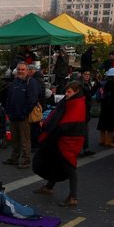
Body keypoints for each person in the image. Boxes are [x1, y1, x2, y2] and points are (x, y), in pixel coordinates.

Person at [32, 80, 86, 208]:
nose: (66, 94)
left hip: (69, 139)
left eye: (69, 92)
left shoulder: (77, 103)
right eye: (66, 91)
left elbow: (69, 122)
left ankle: (73, 197)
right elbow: (57, 115)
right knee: (56, 161)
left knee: (69, 167)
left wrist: (52, 131)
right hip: (62, 137)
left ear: (76, 91)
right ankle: (49, 187)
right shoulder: (70, 101)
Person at [3, 62, 39, 169]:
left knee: (25, 140)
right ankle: (14, 158)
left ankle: (26, 160)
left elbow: (32, 100)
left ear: (27, 71)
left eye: (23, 69)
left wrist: (24, 113)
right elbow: (9, 97)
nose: (20, 71)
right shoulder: (15, 82)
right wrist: (8, 111)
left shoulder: (31, 82)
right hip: (13, 115)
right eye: (19, 69)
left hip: (24, 117)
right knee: (15, 139)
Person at [97, 68, 114, 147]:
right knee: (111, 125)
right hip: (112, 107)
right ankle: (108, 141)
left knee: (103, 124)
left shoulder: (105, 83)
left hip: (104, 106)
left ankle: (102, 139)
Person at [79, 69, 97, 156]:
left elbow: (90, 94)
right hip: (82, 109)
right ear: (82, 75)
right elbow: (88, 95)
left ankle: (85, 149)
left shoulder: (87, 84)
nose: (87, 76)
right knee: (82, 130)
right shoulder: (81, 84)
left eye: (88, 74)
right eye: (85, 74)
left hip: (86, 109)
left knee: (85, 130)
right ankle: (83, 149)